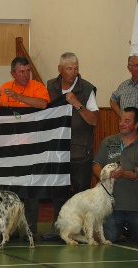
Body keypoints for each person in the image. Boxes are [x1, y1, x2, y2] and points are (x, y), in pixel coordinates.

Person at [41, 52, 99, 241]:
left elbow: (94, 121)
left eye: (76, 68)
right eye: (69, 68)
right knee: (58, 192)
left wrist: (77, 103)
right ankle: (58, 227)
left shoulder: (88, 89)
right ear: (59, 69)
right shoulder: (50, 86)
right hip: (57, 149)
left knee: (81, 192)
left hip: (81, 151)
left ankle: (80, 230)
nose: (73, 72)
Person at [0, 57, 50, 240]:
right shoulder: (4, 88)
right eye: (21, 72)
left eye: (28, 71)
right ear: (12, 73)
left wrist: (18, 97)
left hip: (32, 147)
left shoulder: (38, 87)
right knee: (12, 190)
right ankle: (12, 228)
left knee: (31, 190)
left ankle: (30, 229)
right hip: (10, 149)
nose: (26, 75)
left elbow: (43, 104)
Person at [93, 107, 138, 243]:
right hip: (112, 208)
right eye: (120, 119)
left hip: (135, 207)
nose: (121, 123)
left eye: (127, 120)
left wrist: (124, 174)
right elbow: (96, 165)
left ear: (136, 125)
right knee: (108, 238)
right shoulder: (109, 142)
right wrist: (103, 175)